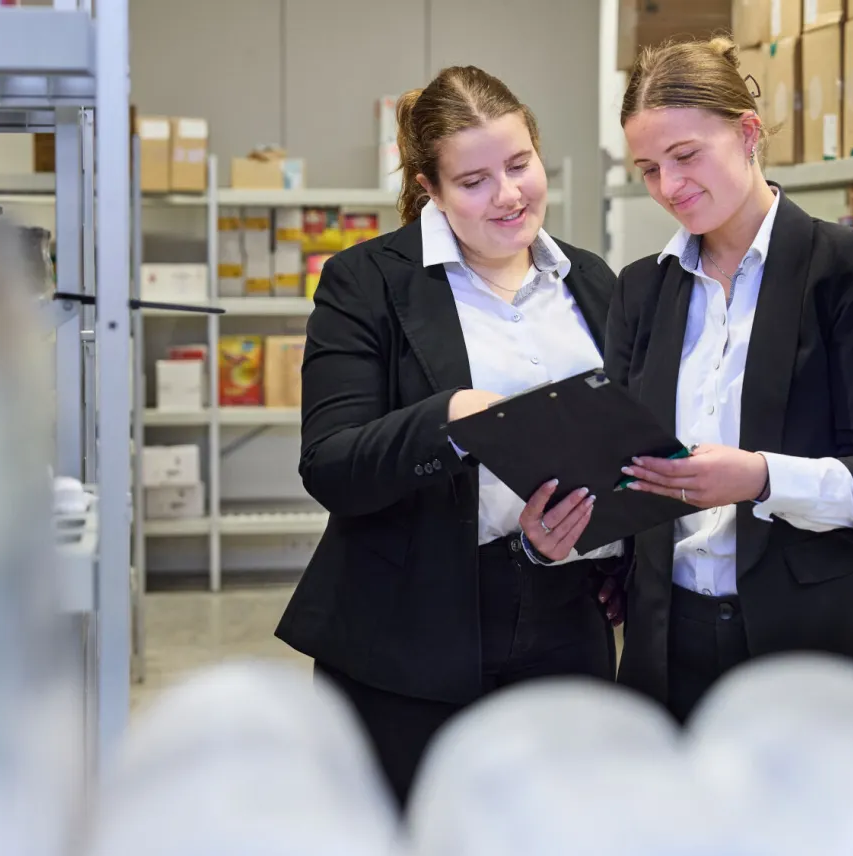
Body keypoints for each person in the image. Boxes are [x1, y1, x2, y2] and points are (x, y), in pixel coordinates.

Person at [275, 65, 624, 807]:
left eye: (520, 164)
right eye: (473, 181)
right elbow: (332, 464)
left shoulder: (592, 283)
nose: (508, 194)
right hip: (409, 636)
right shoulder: (366, 282)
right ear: (429, 187)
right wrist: (452, 419)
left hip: (565, 621)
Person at [606, 37, 853, 724]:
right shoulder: (641, 290)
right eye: (649, 169)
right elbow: (624, 470)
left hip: (818, 643)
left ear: (748, 133)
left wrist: (760, 477)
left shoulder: (847, 271)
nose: (669, 187)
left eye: (687, 156)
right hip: (672, 650)